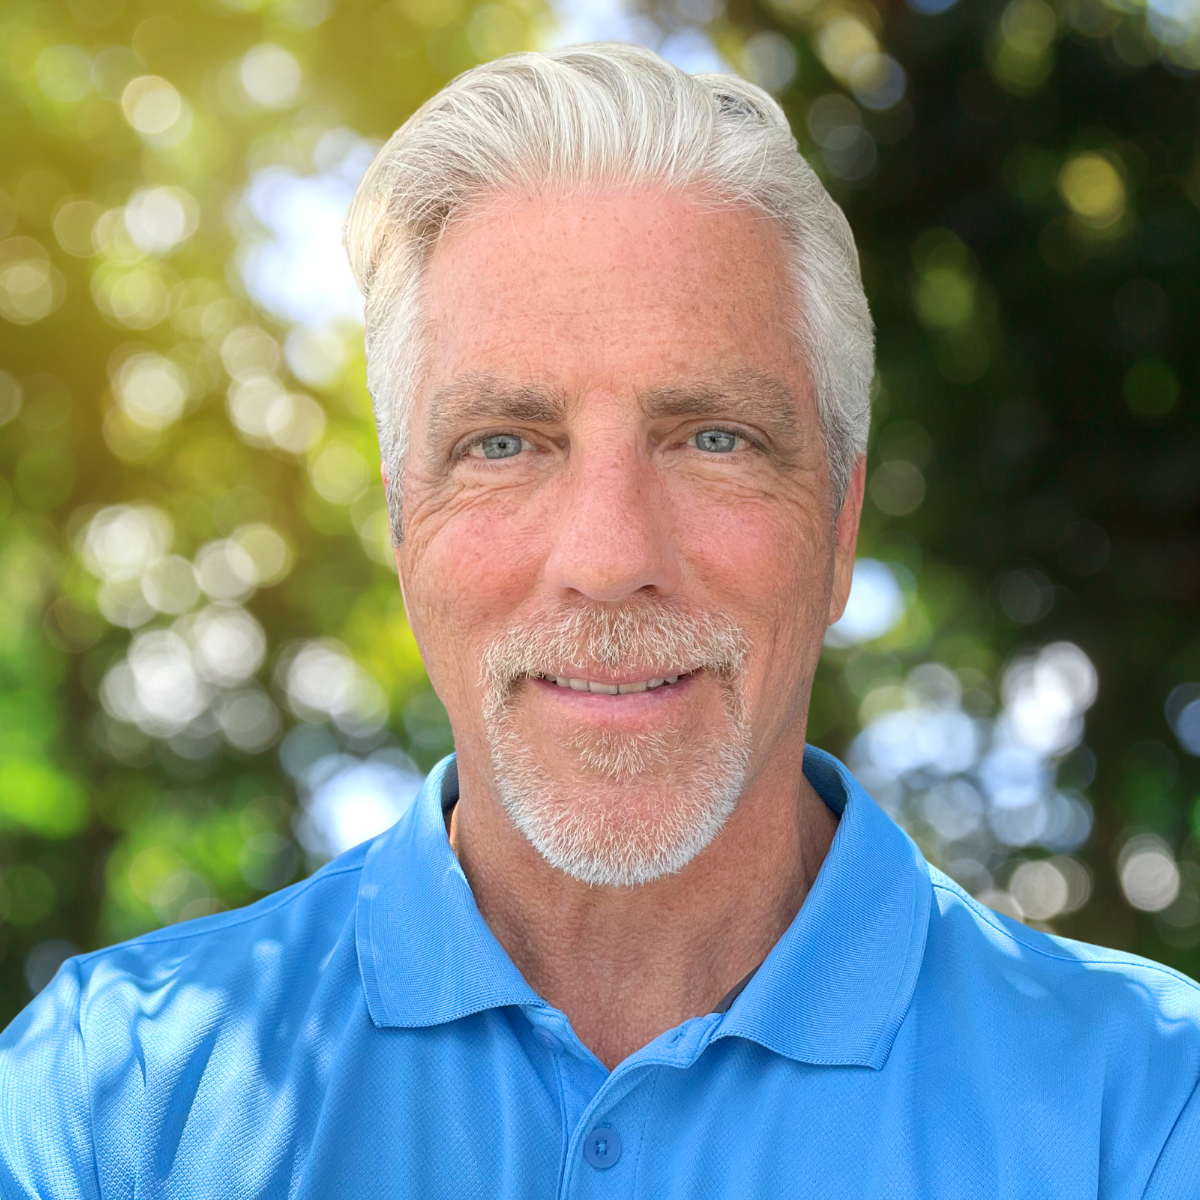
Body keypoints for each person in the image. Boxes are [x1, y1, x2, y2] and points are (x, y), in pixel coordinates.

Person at [2, 42, 1198, 1199]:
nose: (611, 558)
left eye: (714, 438)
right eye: (504, 444)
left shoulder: (1148, 1110)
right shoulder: (111, 1105)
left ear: (840, 528)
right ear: (404, 532)